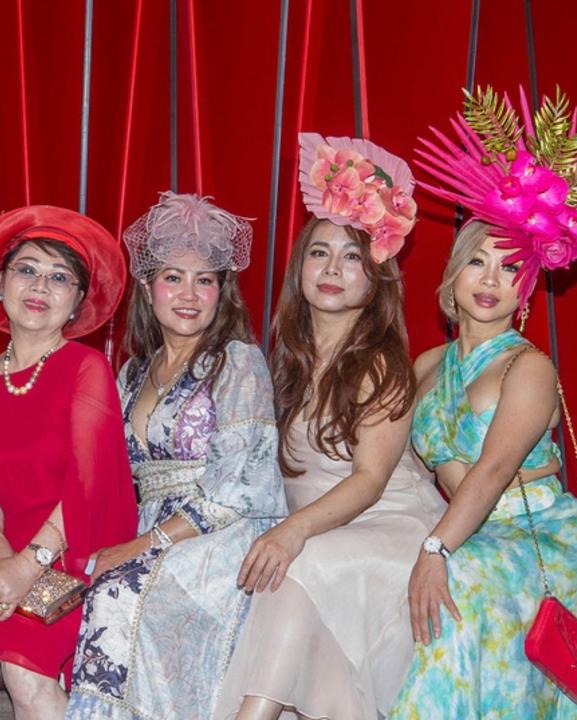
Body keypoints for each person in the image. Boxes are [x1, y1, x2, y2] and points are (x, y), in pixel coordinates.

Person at [390, 88, 577, 717]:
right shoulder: (427, 366)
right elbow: (399, 462)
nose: (491, 280)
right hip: (471, 530)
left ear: (526, 288)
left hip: (544, 531)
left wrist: (435, 549)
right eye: (478, 264)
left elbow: (491, 471)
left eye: (509, 268)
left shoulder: (530, 366)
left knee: (452, 589)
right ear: (452, 280)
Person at [219, 134, 446, 720]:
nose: (333, 269)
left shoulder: (379, 363)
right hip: (323, 533)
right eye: (320, 253)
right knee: (326, 666)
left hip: (388, 528)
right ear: (300, 268)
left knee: (298, 568)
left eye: (352, 257)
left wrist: (292, 532)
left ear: (376, 279)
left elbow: (370, 480)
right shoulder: (282, 360)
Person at [0, 205, 138, 720]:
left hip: (78, 554)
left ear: (78, 301)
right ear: (0, 284)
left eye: (60, 278)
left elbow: (88, 484)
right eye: (28, 269)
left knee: (24, 668)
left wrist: (25, 564)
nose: (41, 286)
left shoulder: (86, 367)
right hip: (7, 553)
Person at [65, 191, 288, 720]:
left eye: (205, 279)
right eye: (173, 277)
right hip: (146, 529)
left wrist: (142, 545)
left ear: (221, 292)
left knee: (120, 594)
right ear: (147, 288)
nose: (189, 294)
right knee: (92, 585)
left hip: (221, 536)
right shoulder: (131, 373)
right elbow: (107, 474)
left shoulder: (238, 361)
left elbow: (240, 483)